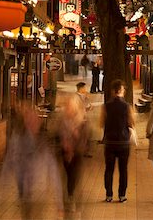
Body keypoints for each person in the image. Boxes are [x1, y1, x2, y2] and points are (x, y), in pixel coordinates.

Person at [100, 80, 134, 203]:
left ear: (113, 91)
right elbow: (131, 123)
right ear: (121, 90)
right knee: (123, 170)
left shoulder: (106, 106)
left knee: (109, 169)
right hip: (123, 142)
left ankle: (109, 195)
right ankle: (122, 195)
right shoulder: (127, 106)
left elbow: (101, 123)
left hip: (109, 142)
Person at [60, 84, 91, 212]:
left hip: (77, 153)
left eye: (71, 106)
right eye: (67, 106)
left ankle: (71, 196)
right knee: (68, 175)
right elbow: (57, 135)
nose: (69, 109)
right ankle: (70, 195)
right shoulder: (62, 121)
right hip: (65, 153)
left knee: (74, 175)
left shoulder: (82, 121)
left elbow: (86, 137)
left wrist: (78, 147)